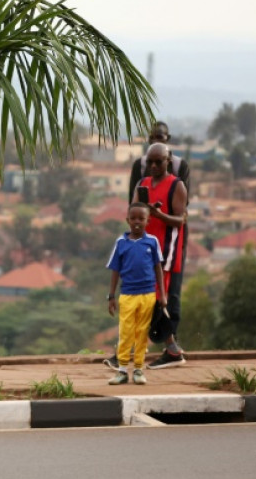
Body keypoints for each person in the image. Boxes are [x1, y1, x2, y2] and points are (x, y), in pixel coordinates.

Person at [106, 122, 191, 370]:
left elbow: (180, 219)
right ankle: (170, 350)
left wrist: (157, 214)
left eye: (159, 162)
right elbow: (134, 209)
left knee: (152, 300)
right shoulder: (142, 182)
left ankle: (135, 351)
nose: (154, 166)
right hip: (143, 247)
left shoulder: (177, 184)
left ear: (167, 160)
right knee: (146, 300)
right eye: (151, 162)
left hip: (165, 251)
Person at [106, 202, 167, 384]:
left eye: (141, 218)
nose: (137, 222)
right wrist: (111, 296)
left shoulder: (152, 242)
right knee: (126, 332)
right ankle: (123, 370)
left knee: (141, 332)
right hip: (128, 295)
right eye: (133, 218)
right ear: (127, 220)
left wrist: (162, 295)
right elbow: (115, 270)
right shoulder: (121, 243)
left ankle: (139, 369)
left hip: (148, 295)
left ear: (148, 221)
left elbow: (158, 269)